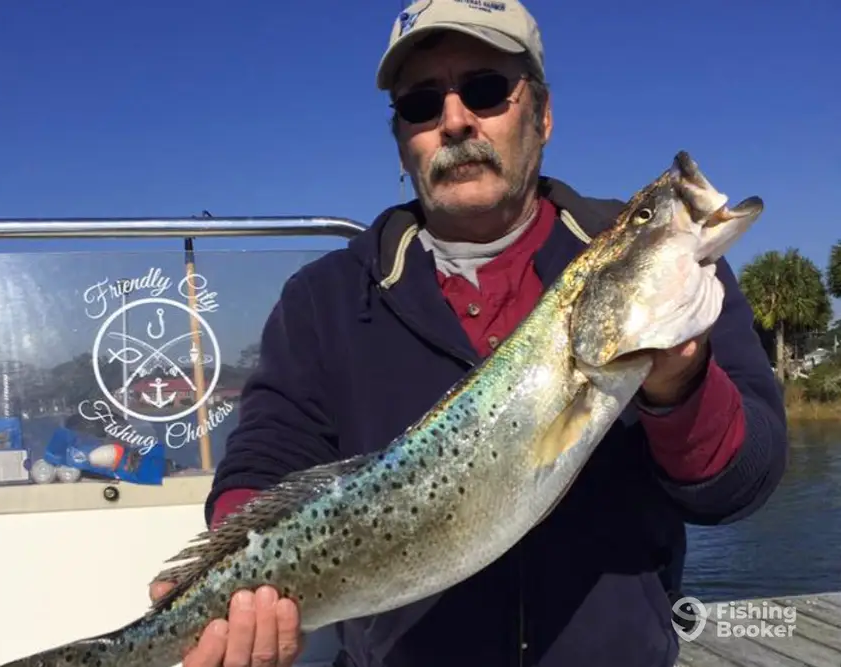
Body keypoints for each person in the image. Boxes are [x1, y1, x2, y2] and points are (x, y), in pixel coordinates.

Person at [151, 1, 789, 665]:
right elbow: (264, 458)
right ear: (401, 141)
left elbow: (739, 486)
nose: (454, 120)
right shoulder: (324, 299)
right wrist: (227, 585)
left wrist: (679, 385)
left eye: (485, 89)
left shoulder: (644, 265)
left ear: (541, 115)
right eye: (421, 105)